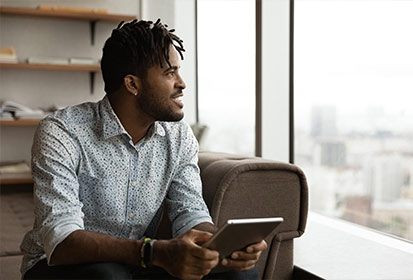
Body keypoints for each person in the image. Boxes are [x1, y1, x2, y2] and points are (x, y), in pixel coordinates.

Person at [20, 19, 267, 280]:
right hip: (57, 266)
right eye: (169, 73)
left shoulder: (179, 136)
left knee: (240, 273)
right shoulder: (62, 131)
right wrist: (155, 252)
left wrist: (219, 245)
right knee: (107, 276)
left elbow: (189, 212)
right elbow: (61, 239)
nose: (182, 83)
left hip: (140, 263)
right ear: (132, 84)